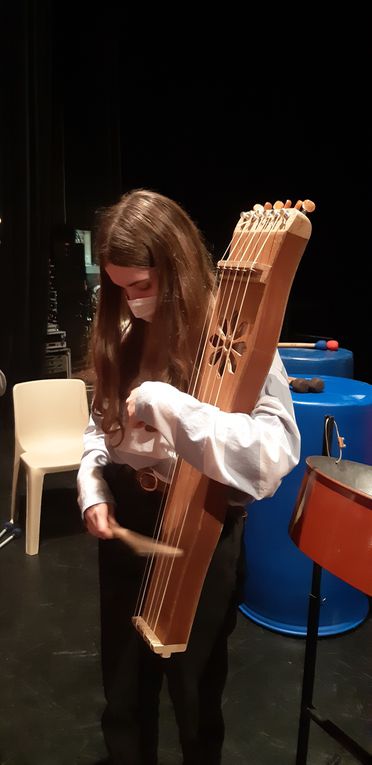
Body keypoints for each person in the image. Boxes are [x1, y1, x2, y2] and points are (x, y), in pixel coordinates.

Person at [77, 189, 301, 765]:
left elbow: (269, 461)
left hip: (203, 526)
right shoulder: (124, 333)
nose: (131, 302)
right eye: (120, 288)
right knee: (123, 690)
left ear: (177, 269)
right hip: (130, 519)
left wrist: (167, 404)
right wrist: (93, 488)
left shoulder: (243, 341)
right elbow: (97, 431)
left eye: (143, 286)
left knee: (196, 691)